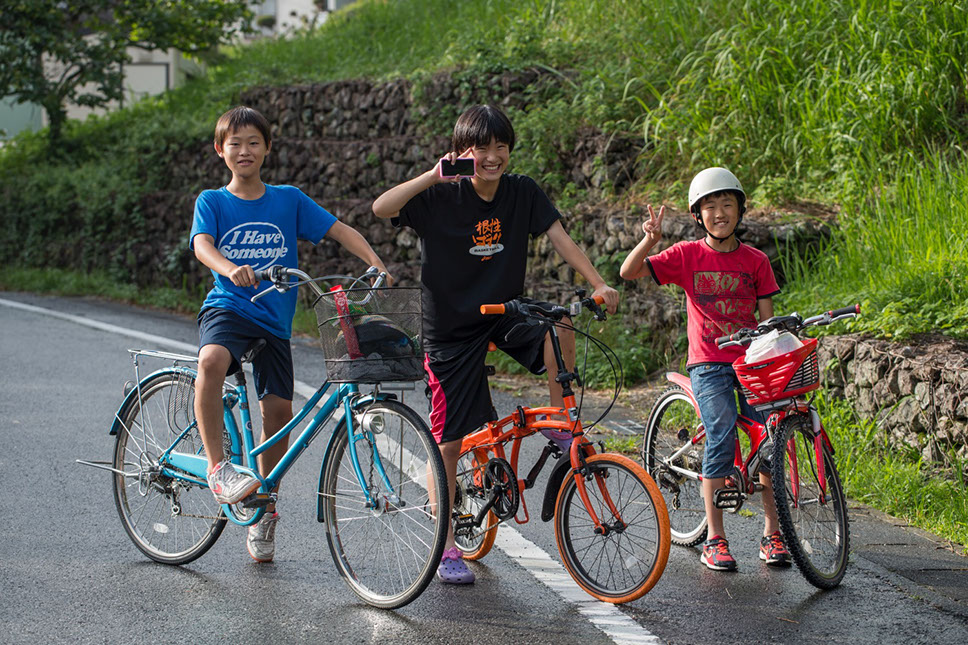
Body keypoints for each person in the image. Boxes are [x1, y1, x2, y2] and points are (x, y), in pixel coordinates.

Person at [371, 104, 619, 584]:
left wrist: (598, 283)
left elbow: (560, 238)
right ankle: (445, 545)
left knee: (560, 325)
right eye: (480, 148)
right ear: (461, 152)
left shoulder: (522, 191)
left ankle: (559, 422)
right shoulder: (439, 195)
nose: (491, 157)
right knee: (449, 442)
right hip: (450, 331)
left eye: (500, 147)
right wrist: (433, 176)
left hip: (503, 313)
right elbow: (382, 208)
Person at [190, 105, 390, 563]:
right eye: (235, 143)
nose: (244, 150)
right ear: (220, 150)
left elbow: (337, 229)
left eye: (253, 142)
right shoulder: (212, 201)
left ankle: (266, 505)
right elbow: (202, 244)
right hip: (229, 307)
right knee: (211, 360)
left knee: (278, 412)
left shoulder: (288, 199)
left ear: (267, 148)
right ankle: (218, 469)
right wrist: (229, 267)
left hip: (274, 323)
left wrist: (375, 262)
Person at [619, 167, 791, 571]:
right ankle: (715, 539)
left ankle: (772, 533)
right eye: (710, 207)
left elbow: (767, 322)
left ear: (740, 210)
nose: (719, 213)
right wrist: (649, 240)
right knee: (721, 430)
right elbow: (628, 272)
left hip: (749, 362)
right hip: (709, 362)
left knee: (770, 437)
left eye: (727, 204)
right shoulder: (686, 255)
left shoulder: (756, 260)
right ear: (698, 216)